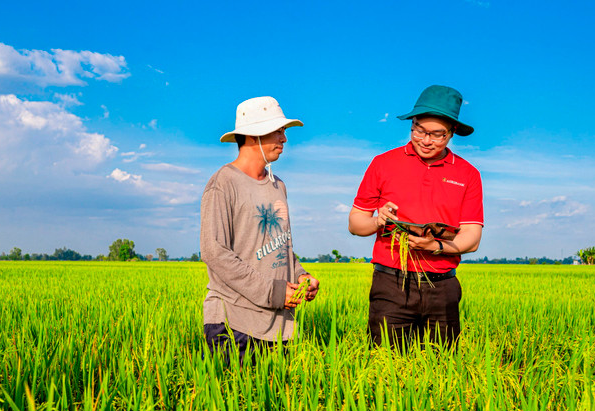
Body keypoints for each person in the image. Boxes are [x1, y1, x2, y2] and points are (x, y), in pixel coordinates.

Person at [348, 85, 483, 349]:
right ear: (412, 123)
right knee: (385, 364)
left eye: (437, 134)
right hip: (391, 284)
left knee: (442, 367)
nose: (426, 140)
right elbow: (355, 224)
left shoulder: (468, 174)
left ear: (452, 132)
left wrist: (434, 246)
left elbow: (472, 238)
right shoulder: (383, 163)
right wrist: (378, 220)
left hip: (442, 286)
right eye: (419, 130)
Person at [200, 96, 319, 365]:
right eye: (278, 131)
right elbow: (214, 252)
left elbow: (280, 246)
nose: (284, 139)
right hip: (234, 324)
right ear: (254, 135)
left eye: (284, 131)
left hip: (277, 325)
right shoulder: (223, 183)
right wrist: (272, 292)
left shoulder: (278, 185)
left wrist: (301, 276)